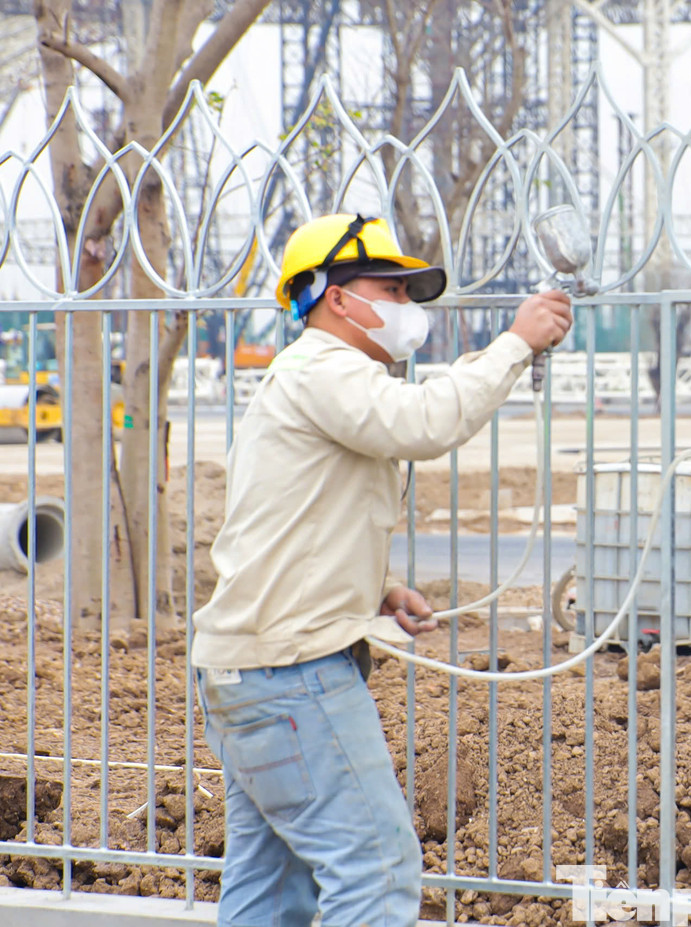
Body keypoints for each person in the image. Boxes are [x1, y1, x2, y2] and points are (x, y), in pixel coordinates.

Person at [190, 213, 572, 927]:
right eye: (390, 289)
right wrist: (517, 342)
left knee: (271, 887)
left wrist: (375, 589)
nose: (405, 306)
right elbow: (423, 422)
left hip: (248, 671)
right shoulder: (321, 368)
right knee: (378, 868)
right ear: (336, 296)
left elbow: (288, 524)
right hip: (291, 674)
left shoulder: (301, 380)